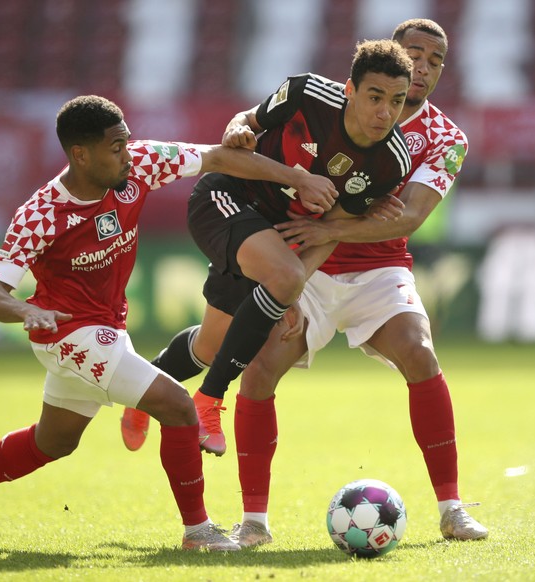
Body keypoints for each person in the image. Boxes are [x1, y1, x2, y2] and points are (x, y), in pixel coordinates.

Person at [121, 19, 489, 547]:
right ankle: (253, 522)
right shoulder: (325, 97)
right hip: (292, 246)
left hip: (377, 269)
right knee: (231, 352)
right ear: (391, 63)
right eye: (415, 55)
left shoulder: (445, 140)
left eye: (436, 59)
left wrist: (328, 228)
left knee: (419, 350)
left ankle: (453, 509)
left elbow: (408, 218)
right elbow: (250, 120)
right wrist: (239, 132)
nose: (425, 66)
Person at [0, 94, 340, 552]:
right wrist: (27, 310)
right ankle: (199, 532)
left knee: (53, 442)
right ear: (80, 154)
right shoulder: (41, 213)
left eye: (126, 142)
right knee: (178, 405)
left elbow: (220, 157)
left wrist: (296, 177)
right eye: (116, 146)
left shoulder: (139, 164)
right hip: (67, 334)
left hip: (107, 327)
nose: (128, 153)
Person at [119, 39, 414, 456]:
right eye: (375, 97)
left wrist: (289, 290)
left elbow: (329, 234)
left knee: (211, 345)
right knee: (281, 282)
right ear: (350, 90)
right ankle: (209, 400)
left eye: (398, 101)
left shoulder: (390, 162)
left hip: (273, 236)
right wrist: (289, 171)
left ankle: (142, 394)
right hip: (225, 198)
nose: (386, 112)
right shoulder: (307, 93)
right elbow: (234, 141)